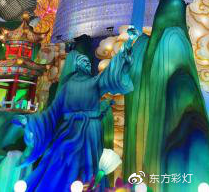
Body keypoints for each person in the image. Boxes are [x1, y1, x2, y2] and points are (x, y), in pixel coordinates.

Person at [13, 39, 134, 192]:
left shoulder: (95, 82)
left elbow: (110, 76)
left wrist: (123, 53)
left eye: (88, 62)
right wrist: (29, 121)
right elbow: (52, 113)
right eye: (83, 61)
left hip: (91, 131)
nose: (86, 64)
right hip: (69, 130)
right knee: (61, 161)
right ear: (75, 65)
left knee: (89, 166)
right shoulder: (67, 87)